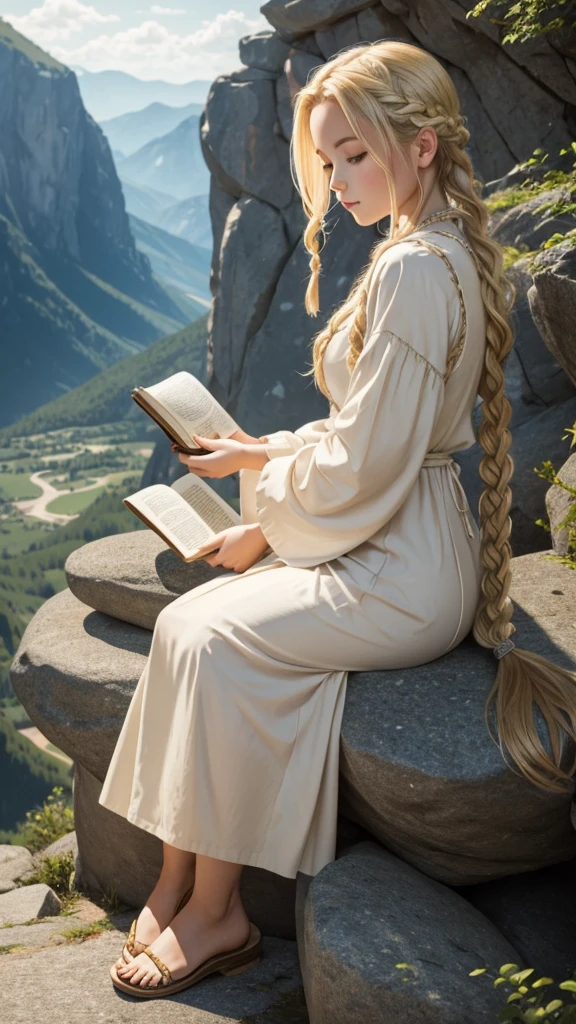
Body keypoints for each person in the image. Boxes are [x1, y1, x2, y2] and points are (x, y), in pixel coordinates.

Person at [100, 40, 576, 998]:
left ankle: (218, 912)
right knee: (191, 627)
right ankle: (179, 877)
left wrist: (265, 523)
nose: (338, 179)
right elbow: (375, 432)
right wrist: (258, 455)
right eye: (327, 160)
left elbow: (366, 464)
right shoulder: (436, 251)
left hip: (403, 565)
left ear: (424, 145)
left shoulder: (411, 270)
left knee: (217, 638)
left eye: (356, 153)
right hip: (402, 533)